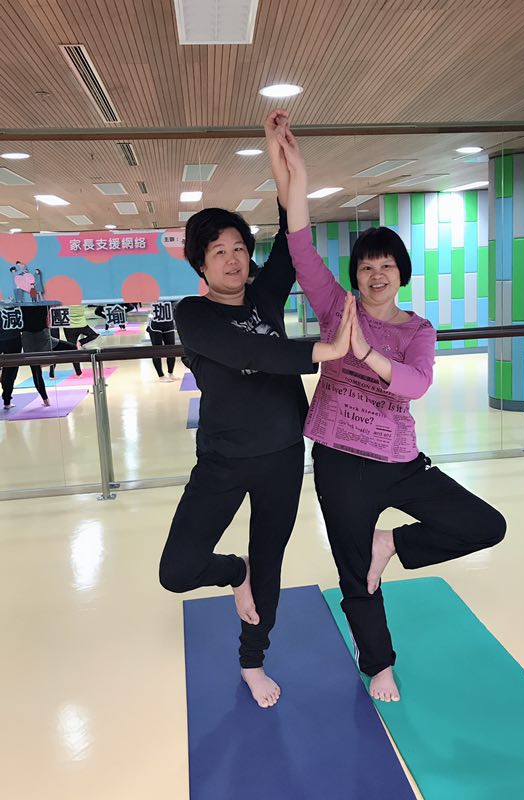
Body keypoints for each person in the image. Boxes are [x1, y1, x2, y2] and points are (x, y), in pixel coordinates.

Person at [275, 121, 507, 703]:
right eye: (365, 267)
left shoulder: (417, 330)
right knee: (354, 572)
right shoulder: (336, 307)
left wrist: (367, 354)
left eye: (386, 266)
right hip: (339, 461)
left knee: (486, 524)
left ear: (401, 273)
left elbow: (416, 384)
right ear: (355, 275)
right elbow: (300, 244)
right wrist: (295, 175)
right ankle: (378, 664)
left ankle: (393, 544)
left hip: (399, 461)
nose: (376, 276)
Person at [159, 110, 354, 710]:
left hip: (282, 457)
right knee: (177, 570)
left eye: (240, 248)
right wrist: (322, 351)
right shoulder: (193, 315)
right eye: (218, 251)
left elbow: (293, 240)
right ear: (200, 264)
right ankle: (233, 572)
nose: (232, 259)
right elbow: (251, 353)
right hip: (223, 460)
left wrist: (284, 171)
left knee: (271, 561)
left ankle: (252, 661)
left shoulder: (265, 295)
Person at [146, 301, 177, 381]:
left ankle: (171, 373)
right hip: (155, 324)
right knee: (157, 351)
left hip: (169, 324)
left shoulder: (170, 297)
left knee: (171, 350)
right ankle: (161, 375)